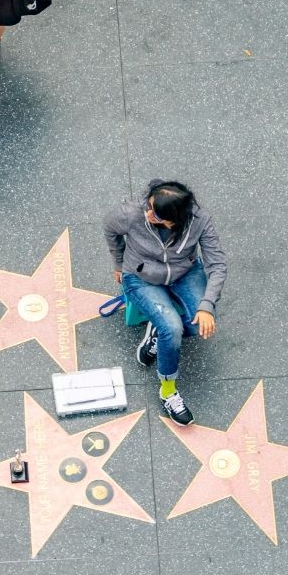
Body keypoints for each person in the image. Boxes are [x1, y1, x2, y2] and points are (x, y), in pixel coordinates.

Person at [103, 180, 227, 426]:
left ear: (174, 219)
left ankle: (157, 335)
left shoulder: (200, 220)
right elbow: (110, 228)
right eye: (149, 205)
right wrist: (118, 262)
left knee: (198, 324)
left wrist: (207, 305)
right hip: (140, 277)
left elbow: (217, 265)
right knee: (172, 328)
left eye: (156, 213)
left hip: (185, 272)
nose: (148, 213)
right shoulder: (132, 214)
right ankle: (168, 390)